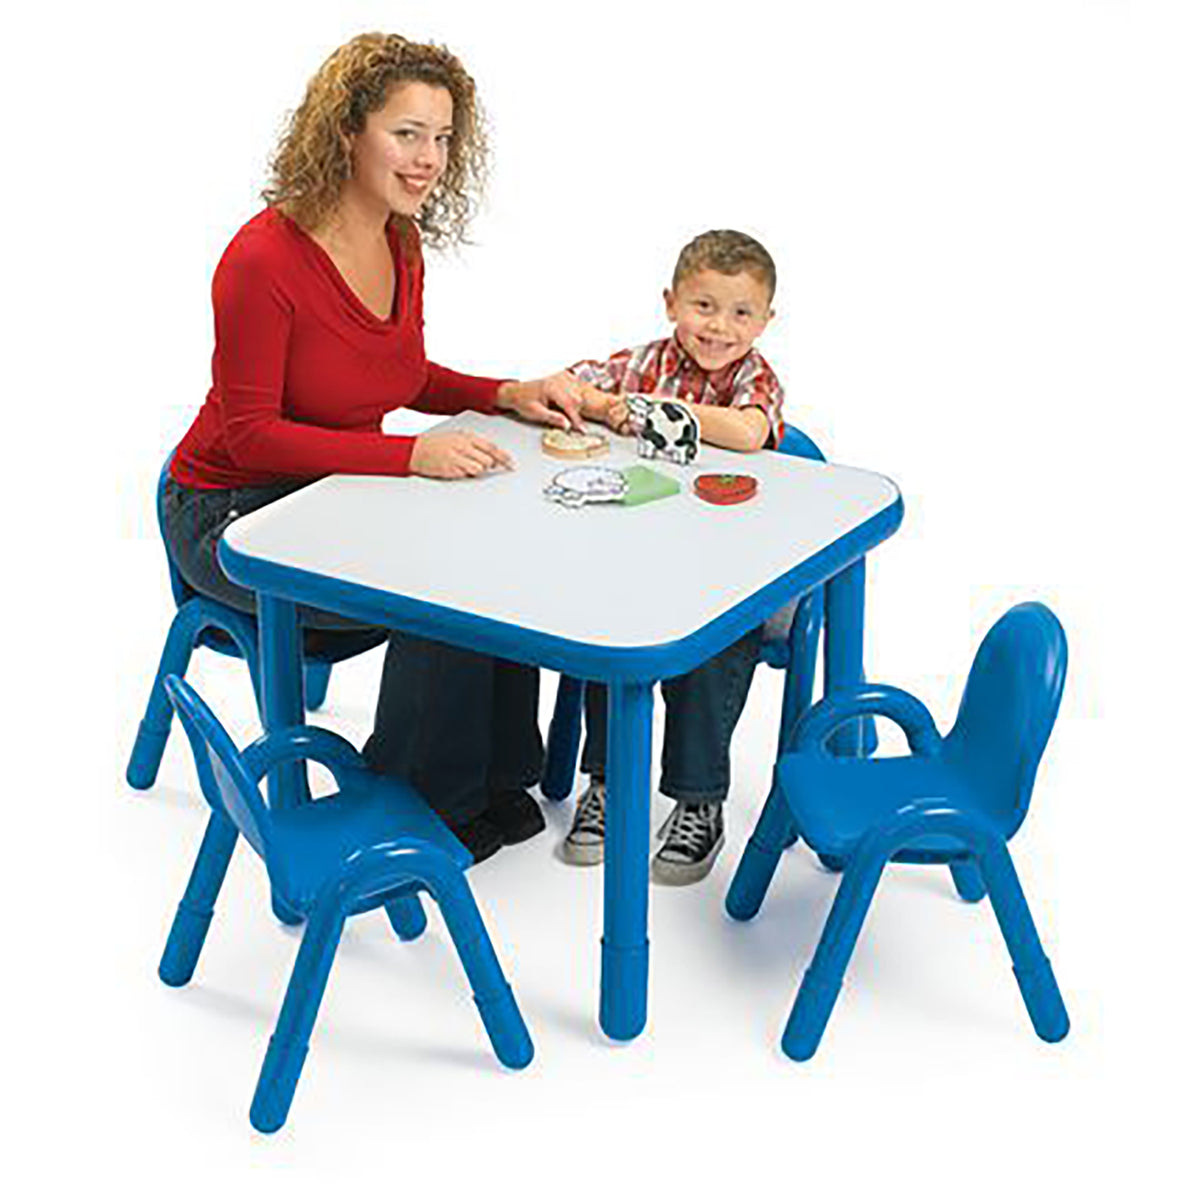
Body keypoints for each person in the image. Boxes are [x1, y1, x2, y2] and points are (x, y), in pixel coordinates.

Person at [163, 32, 586, 864]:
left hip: (329, 490)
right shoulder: (260, 260)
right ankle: (423, 801)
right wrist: (409, 457)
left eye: (443, 137)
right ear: (347, 131)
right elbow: (251, 433)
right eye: (407, 133)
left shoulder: (400, 237)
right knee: (433, 585)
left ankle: (497, 780)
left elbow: (396, 373)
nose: (429, 159)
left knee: (493, 551)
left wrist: (505, 393)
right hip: (229, 514)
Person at [559, 229, 786, 885]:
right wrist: (608, 404)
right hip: (642, 558)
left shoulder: (754, 378)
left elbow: (748, 431)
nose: (719, 327)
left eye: (741, 313)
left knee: (711, 651)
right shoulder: (643, 362)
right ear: (671, 303)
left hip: (729, 571)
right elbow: (573, 385)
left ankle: (698, 799)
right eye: (703, 306)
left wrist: (656, 410)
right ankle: (608, 783)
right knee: (605, 632)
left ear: (765, 321)